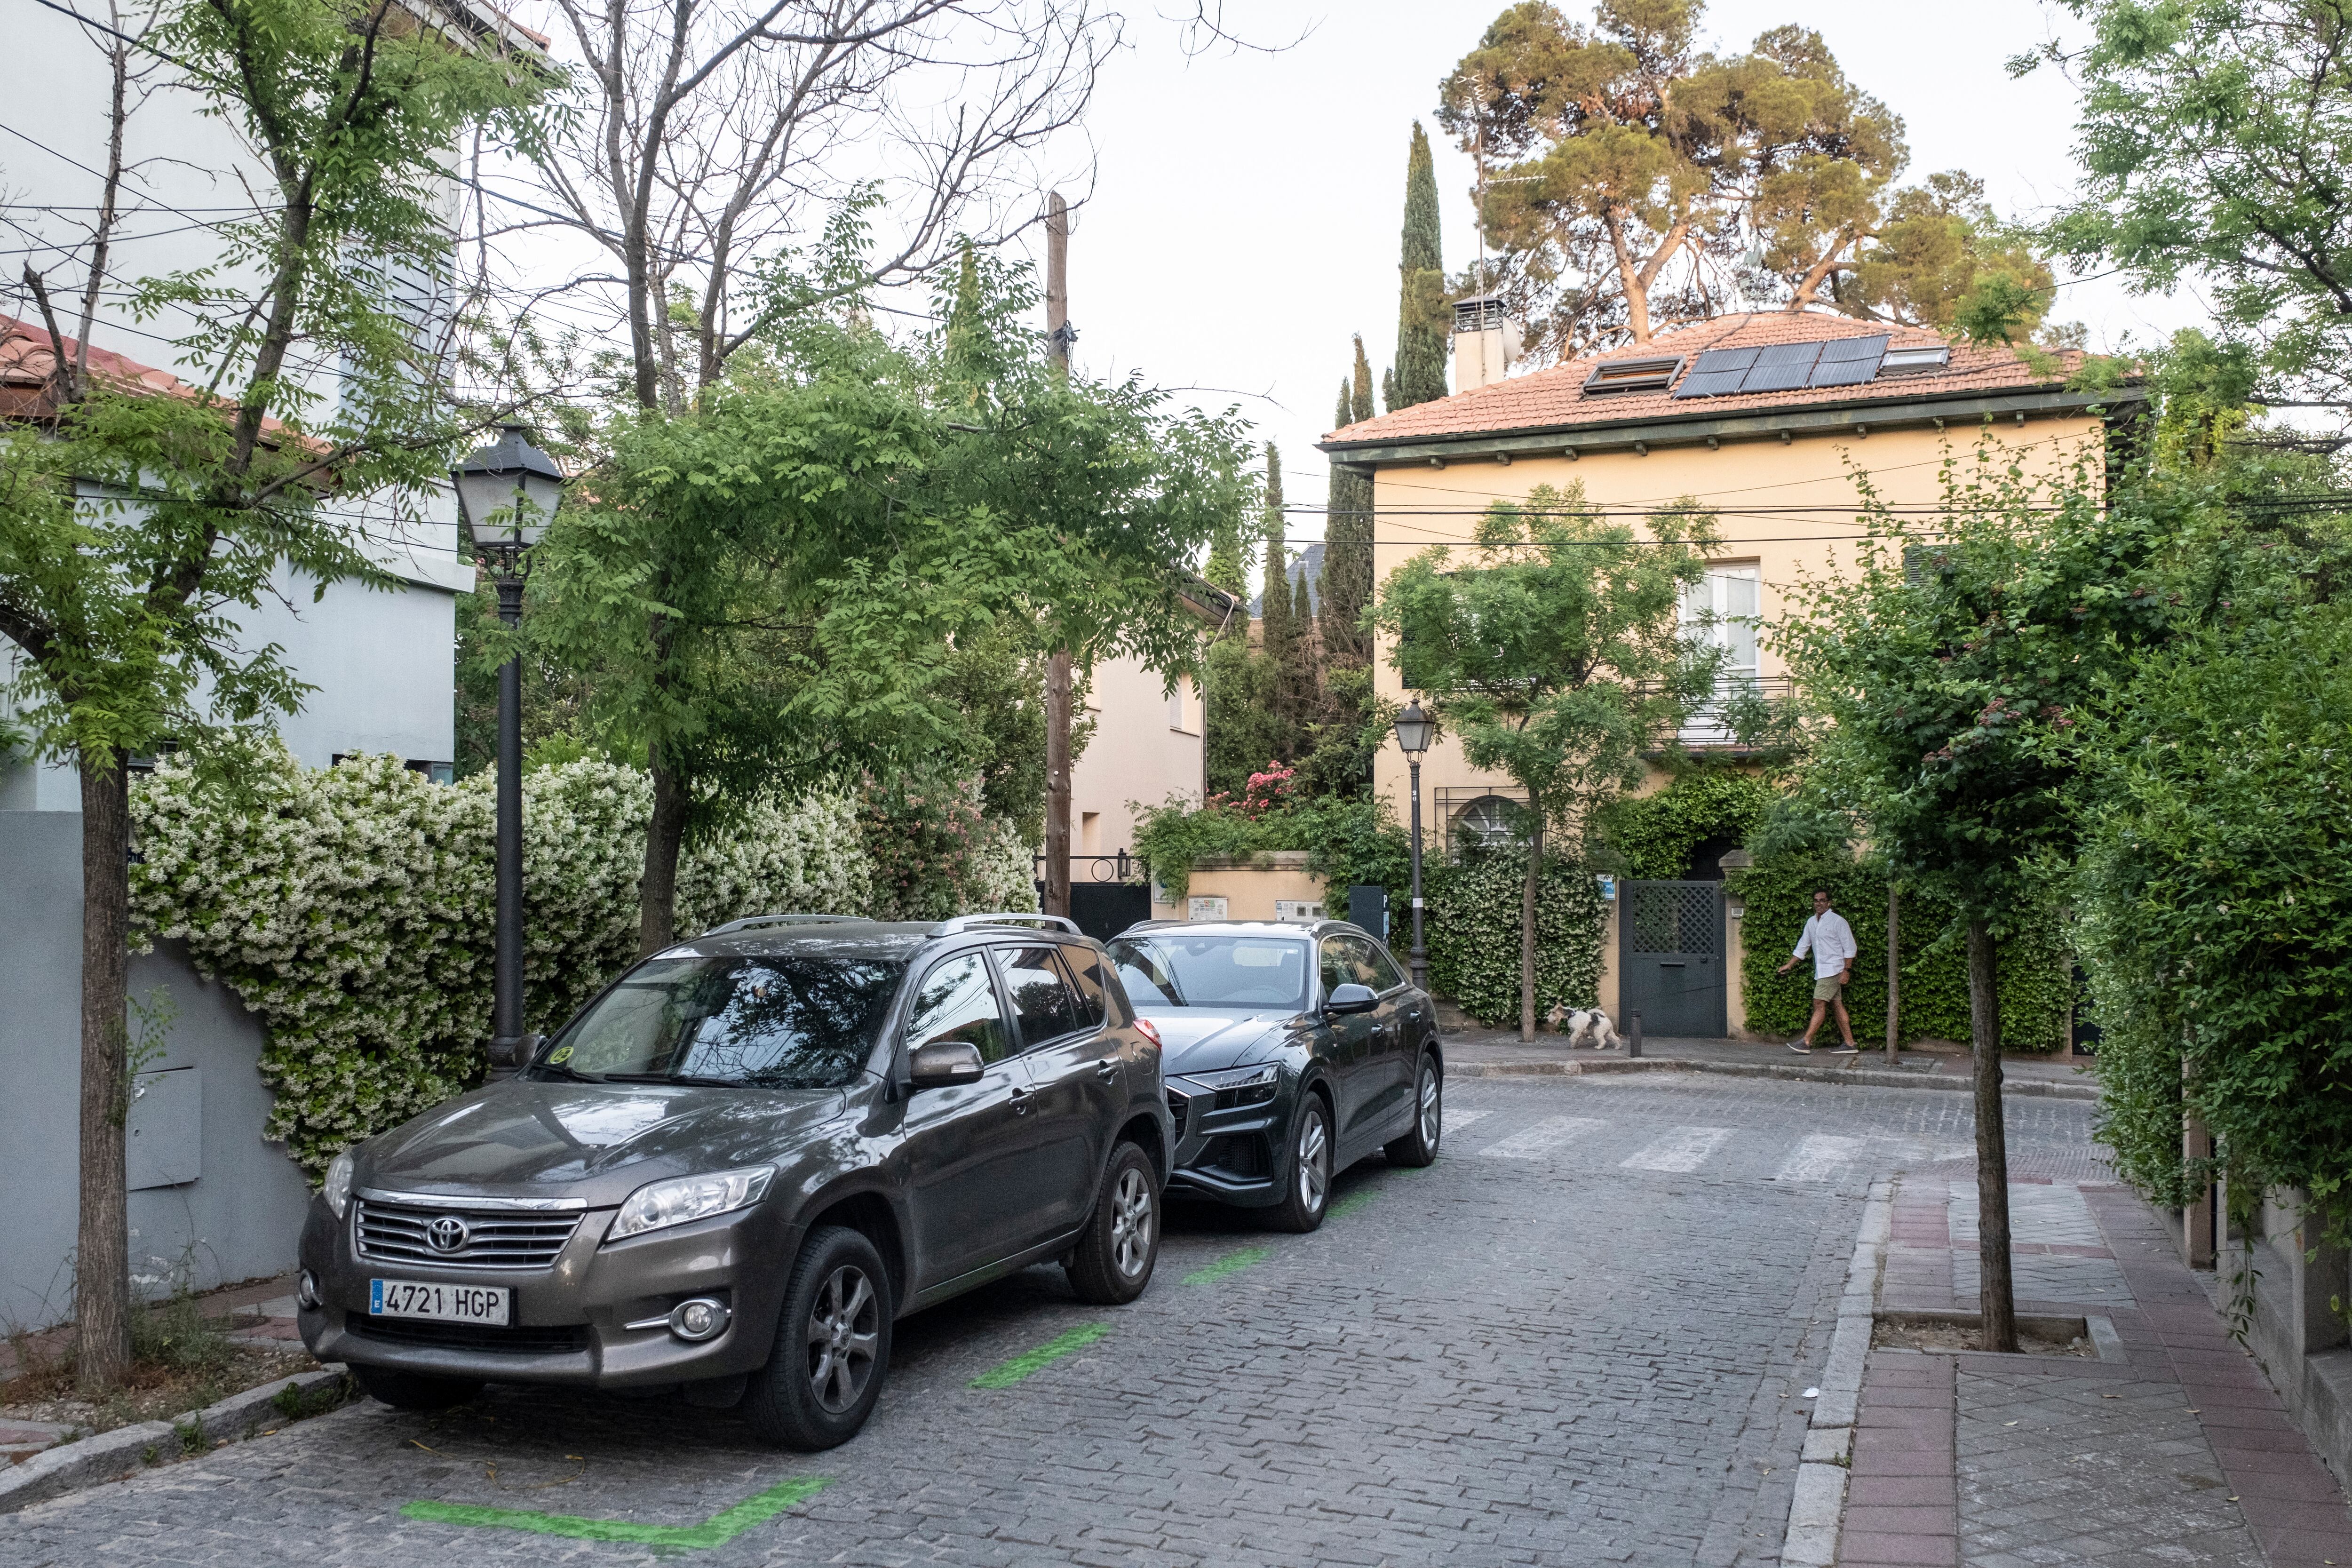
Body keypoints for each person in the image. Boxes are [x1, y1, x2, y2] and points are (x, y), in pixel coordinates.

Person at [1778, 887, 1859, 1055]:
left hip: (1833, 970)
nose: (1819, 904)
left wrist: (1846, 970)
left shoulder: (1838, 922)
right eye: (1816, 901)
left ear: (1829, 903)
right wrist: (1789, 965)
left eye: (1822, 900)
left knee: (1819, 1004)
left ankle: (1806, 1042)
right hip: (1822, 971)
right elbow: (1803, 946)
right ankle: (1850, 1044)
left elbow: (1850, 948)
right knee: (1837, 1005)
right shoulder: (1811, 922)